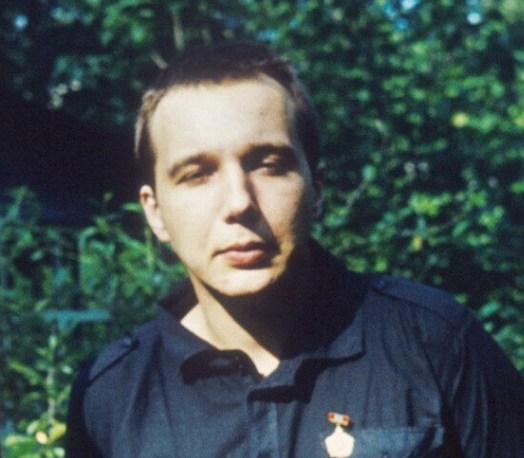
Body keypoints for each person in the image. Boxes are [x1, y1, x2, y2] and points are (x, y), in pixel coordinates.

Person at [65, 41, 524, 458]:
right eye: (197, 174)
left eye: (268, 165)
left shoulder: (435, 343)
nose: (239, 203)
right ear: (156, 212)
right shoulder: (109, 399)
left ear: (316, 189)